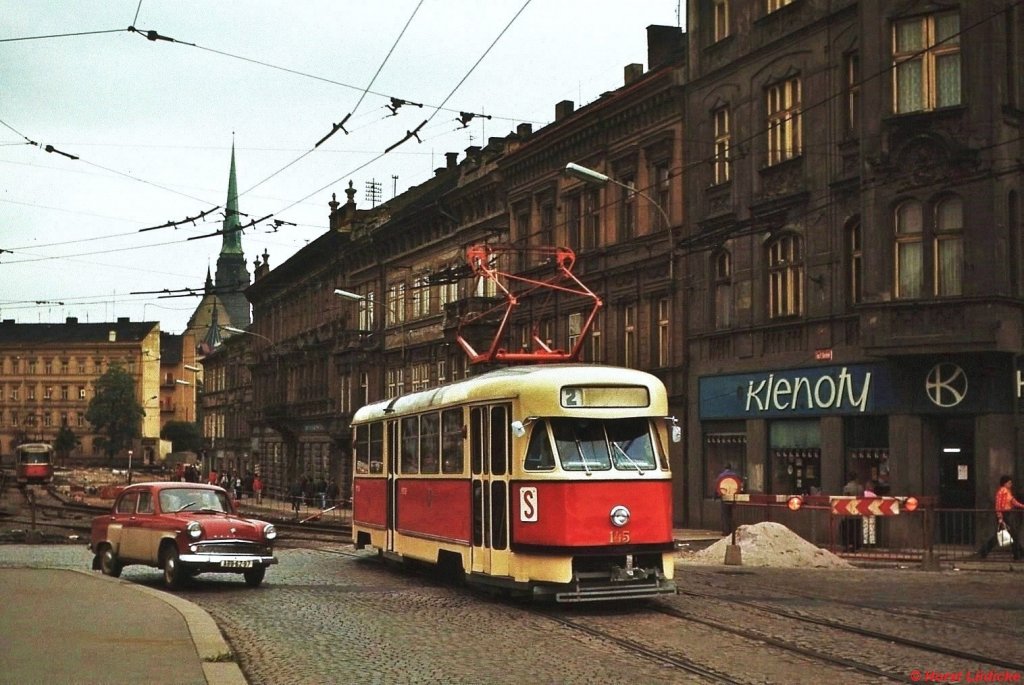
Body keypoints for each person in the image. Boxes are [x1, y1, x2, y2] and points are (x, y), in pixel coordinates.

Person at [976, 475, 1024, 560]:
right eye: (1009, 483)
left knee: (1003, 536)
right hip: (1004, 515)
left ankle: (984, 552)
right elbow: (999, 505)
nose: (1011, 484)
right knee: (1011, 535)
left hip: (1005, 515)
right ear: (1005, 483)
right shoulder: (1002, 492)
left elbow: (1013, 502)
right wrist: (1000, 517)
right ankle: (1018, 554)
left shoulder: (1006, 492)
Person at [715, 464, 742, 535]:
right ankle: (732, 530)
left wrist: (716, 495)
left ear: (724, 468)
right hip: (733, 496)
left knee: (725, 514)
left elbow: (717, 486)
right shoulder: (735, 475)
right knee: (732, 514)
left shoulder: (721, 476)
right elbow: (739, 485)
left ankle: (725, 531)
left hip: (724, 497)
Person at [840, 472, 863, 552]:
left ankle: (847, 546)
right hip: (858, 512)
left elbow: (844, 500)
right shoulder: (860, 488)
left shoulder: (847, 488)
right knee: (856, 530)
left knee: (848, 530)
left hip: (849, 512)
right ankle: (855, 546)